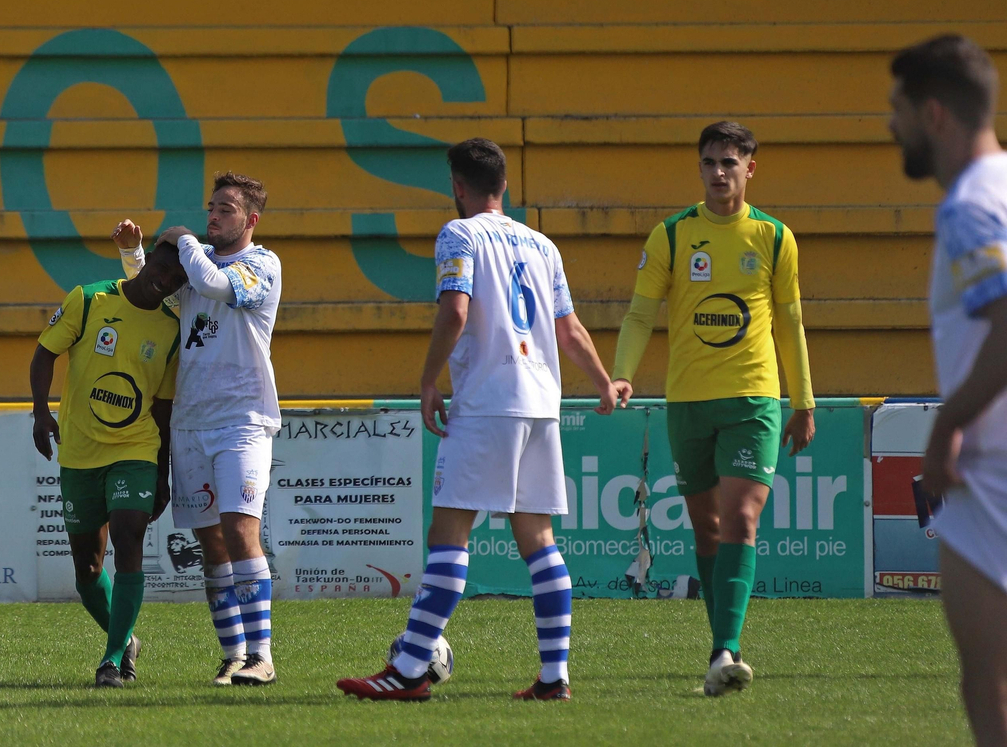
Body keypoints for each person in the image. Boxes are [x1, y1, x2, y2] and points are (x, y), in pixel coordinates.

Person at [336, 138, 629, 702]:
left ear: (458, 186)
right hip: (542, 401)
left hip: (489, 399)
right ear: (504, 186)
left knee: (448, 536)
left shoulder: (459, 233)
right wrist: (603, 384)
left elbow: (457, 309)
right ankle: (554, 677)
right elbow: (569, 329)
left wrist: (427, 379)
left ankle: (408, 670)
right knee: (540, 542)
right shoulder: (542, 245)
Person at [611, 120, 817, 696]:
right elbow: (639, 314)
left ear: (751, 167)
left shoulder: (776, 238)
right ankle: (719, 647)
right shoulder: (673, 236)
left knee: (741, 520)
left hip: (753, 399)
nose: (720, 172)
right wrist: (622, 373)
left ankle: (728, 647)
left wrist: (802, 401)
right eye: (710, 162)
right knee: (707, 527)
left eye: (731, 162)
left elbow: (792, 324)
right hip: (689, 404)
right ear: (699, 168)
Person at [112, 171, 283, 686]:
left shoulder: (261, 264)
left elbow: (212, 283)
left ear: (251, 220)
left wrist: (183, 236)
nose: (213, 216)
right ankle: (233, 657)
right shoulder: (193, 266)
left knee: (239, 531)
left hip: (242, 420)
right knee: (212, 544)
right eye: (211, 207)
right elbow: (152, 291)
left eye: (225, 209)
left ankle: (262, 655)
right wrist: (134, 255)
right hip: (190, 424)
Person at [889, 33, 1007, 744]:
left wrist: (944, 429)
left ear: (933, 114)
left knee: (988, 688)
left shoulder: (969, 206)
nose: (889, 123)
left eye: (896, 107)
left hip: (989, 478)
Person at [29, 240, 188, 688]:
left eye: (178, 280)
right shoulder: (89, 298)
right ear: (150, 258)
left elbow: (162, 409)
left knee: (129, 537)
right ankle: (128, 639)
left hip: (135, 448)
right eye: (163, 268)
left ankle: (113, 660)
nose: (166, 281)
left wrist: (162, 472)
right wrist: (42, 412)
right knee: (88, 571)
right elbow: (45, 352)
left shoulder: (172, 329)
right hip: (80, 452)